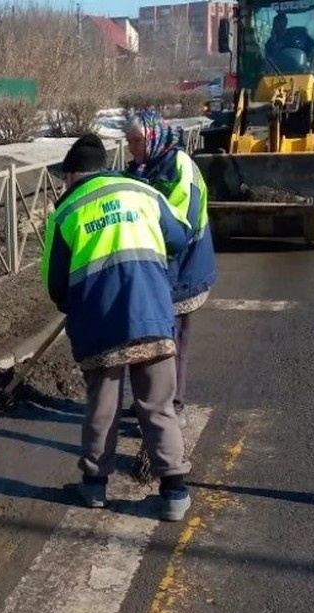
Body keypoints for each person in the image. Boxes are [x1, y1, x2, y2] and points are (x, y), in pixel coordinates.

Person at [42, 133, 193, 521]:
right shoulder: (143, 192)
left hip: (99, 324)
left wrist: (73, 305)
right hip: (152, 314)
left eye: (65, 176)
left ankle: (94, 486)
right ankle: (174, 492)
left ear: (75, 174)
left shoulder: (66, 211)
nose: (64, 183)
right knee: (157, 403)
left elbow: (54, 283)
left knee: (103, 406)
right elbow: (179, 236)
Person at [123, 110, 217, 428]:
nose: (131, 147)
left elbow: (181, 229)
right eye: (128, 141)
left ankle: (173, 405)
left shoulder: (179, 166)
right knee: (151, 337)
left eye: (136, 140)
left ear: (151, 136)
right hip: (154, 270)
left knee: (173, 338)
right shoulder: (139, 167)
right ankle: (152, 401)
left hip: (182, 269)